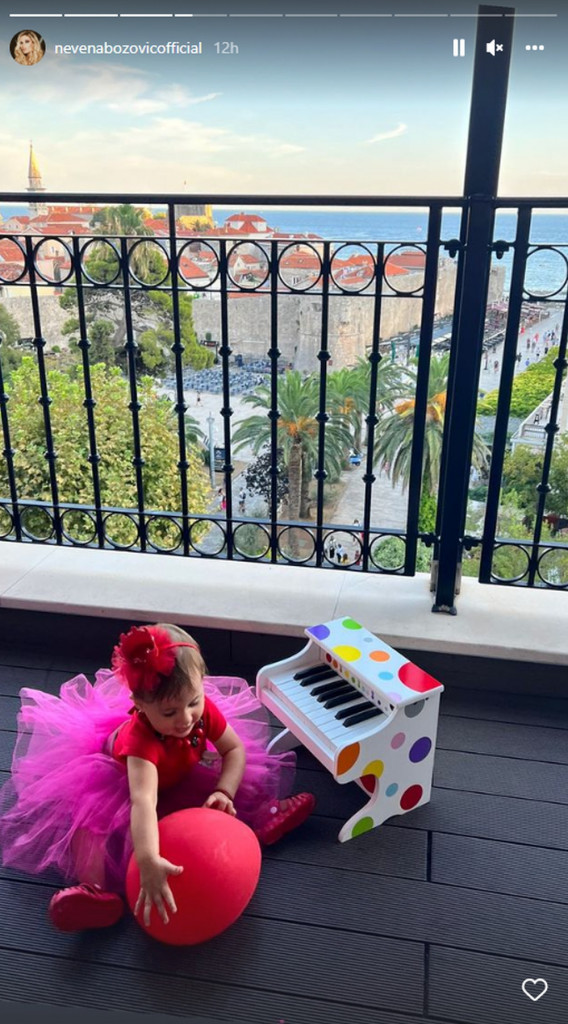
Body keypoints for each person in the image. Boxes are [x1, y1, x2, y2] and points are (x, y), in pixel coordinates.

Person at [0, 623, 315, 932]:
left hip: (177, 771)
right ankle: (94, 889)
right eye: (169, 712)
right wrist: (148, 860)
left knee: (228, 783)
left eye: (193, 702)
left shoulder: (201, 712)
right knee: (92, 822)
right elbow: (143, 801)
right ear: (139, 706)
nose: (186, 719)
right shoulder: (141, 744)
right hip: (125, 784)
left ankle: (262, 816)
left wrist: (224, 791)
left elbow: (234, 749)